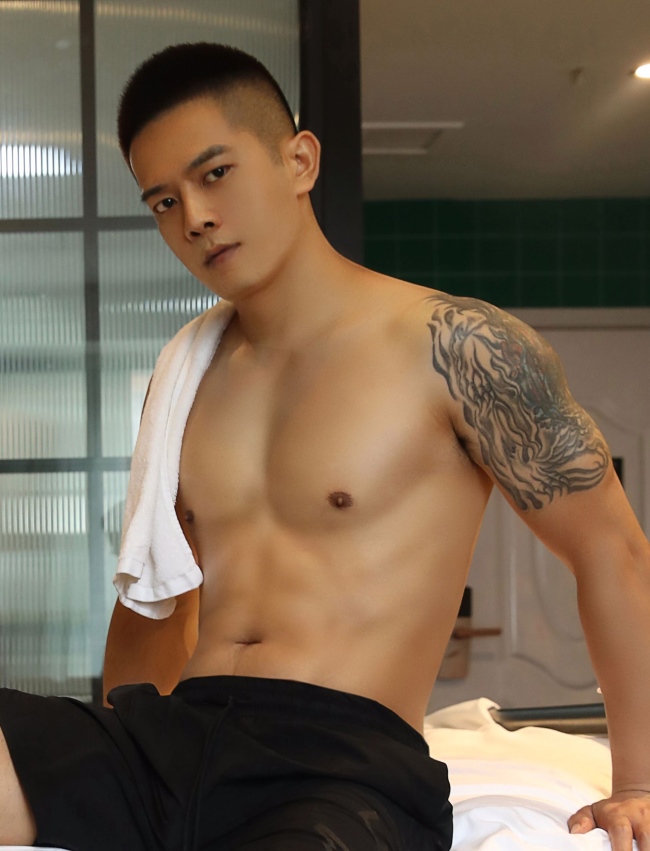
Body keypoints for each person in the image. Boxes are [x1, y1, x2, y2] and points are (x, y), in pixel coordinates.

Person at [0, 41, 649, 851]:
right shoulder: (186, 377)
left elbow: (611, 550)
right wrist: (120, 771)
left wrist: (638, 781)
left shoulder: (459, 347)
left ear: (299, 160)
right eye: (163, 201)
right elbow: (154, 597)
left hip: (340, 763)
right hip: (174, 737)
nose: (194, 217)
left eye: (215, 173)